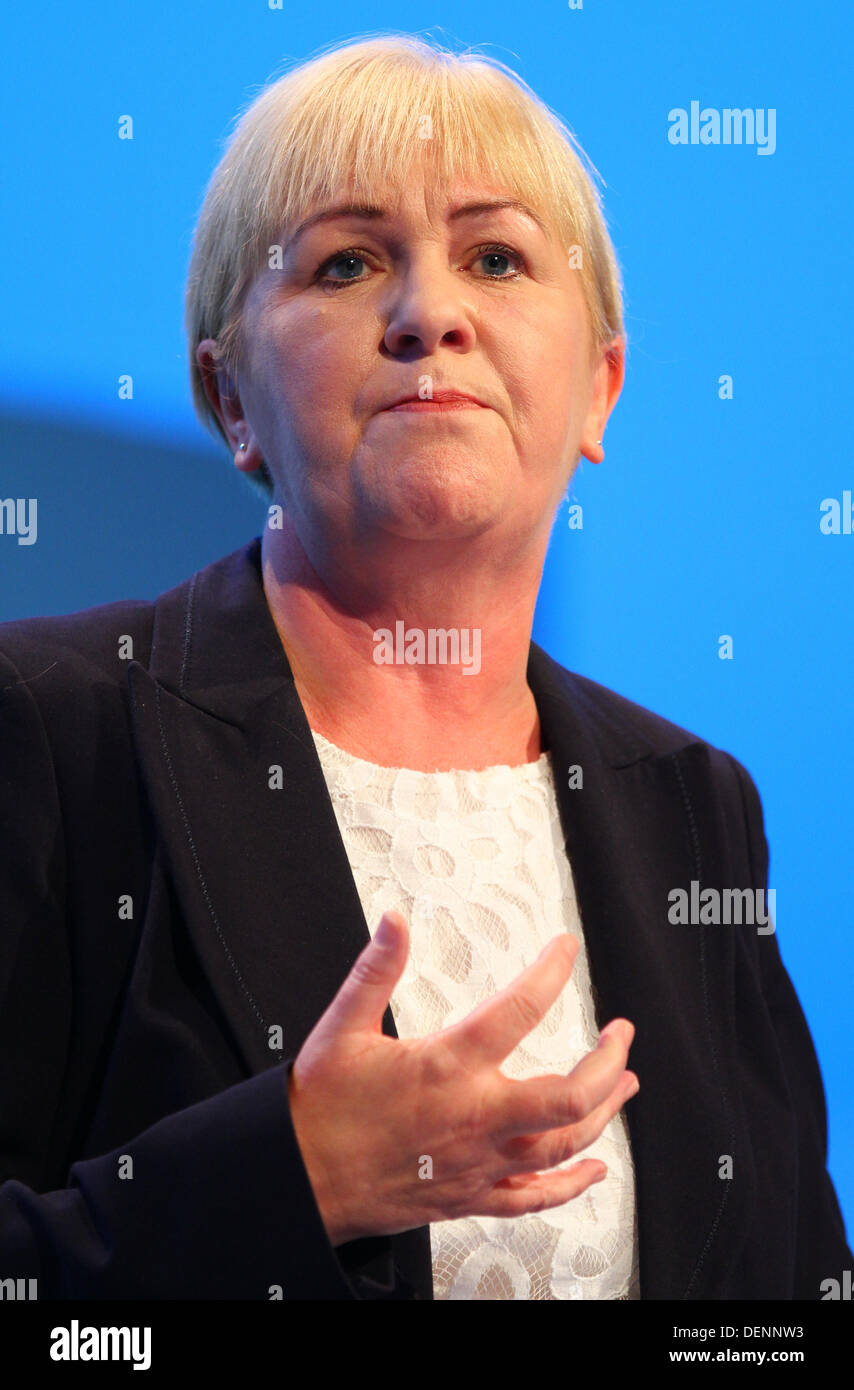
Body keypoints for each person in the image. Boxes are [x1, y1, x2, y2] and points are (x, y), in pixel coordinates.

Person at [0, 33, 849, 1301]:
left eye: (496, 258)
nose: (428, 314)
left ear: (597, 389)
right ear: (229, 399)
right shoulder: (50, 728)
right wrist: (286, 1177)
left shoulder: (691, 803)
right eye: (346, 263)